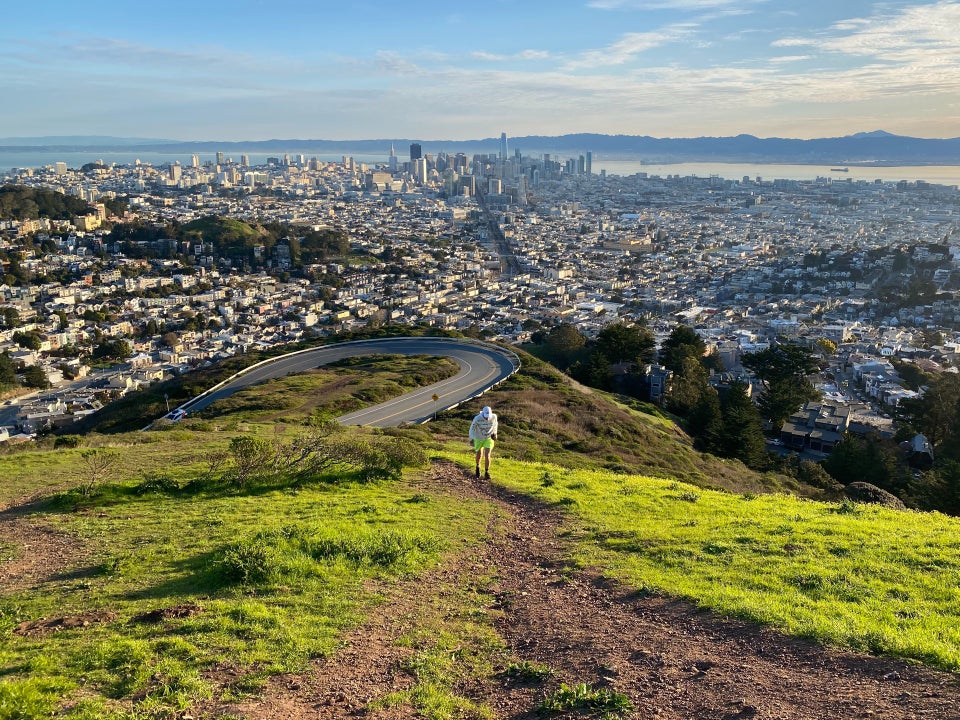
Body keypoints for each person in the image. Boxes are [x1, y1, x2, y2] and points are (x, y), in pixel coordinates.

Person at [469, 405, 498, 479]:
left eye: (488, 416)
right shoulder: (477, 418)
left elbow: (495, 425)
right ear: (483, 414)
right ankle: (478, 466)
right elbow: (472, 429)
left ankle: (487, 472)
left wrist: (495, 433)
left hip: (488, 438)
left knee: (487, 454)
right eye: (486, 416)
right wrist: (471, 439)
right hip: (478, 438)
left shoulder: (494, 417)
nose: (487, 418)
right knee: (479, 454)